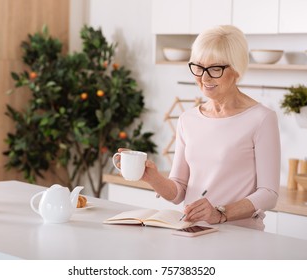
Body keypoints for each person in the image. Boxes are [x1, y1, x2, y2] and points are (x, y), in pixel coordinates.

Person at [120, 25, 281, 230]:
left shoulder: (261, 118)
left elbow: (269, 194)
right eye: (198, 67)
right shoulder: (188, 119)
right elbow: (179, 191)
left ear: (237, 70)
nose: (204, 78)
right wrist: (152, 177)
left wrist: (220, 213)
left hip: (240, 236)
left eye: (215, 69)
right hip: (192, 232)